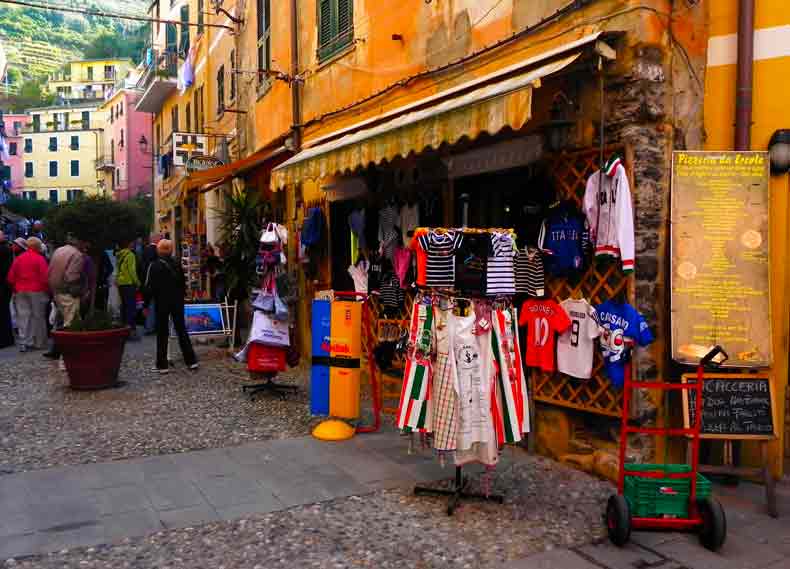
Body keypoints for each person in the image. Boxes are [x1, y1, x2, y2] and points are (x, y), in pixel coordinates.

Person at [143, 239, 198, 374]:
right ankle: (191, 361)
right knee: (181, 330)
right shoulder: (176, 264)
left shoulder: (154, 265)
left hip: (162, 302)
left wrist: (145, 304)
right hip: (177, 302)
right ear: (171, 250)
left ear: (159, 250)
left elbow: (149, 288)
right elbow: (183, 283)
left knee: (162, 332)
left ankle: (162, 365)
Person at [44, 236, 85, 359]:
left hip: (56, 290)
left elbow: (49, 270)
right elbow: (71, 277)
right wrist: (79, 289)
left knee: (60, 322)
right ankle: (69, 353)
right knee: (71, 322)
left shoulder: (59, 250)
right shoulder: (77, 254)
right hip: (67, 291)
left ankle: (56, 350)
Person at [7, 237, 49, 351]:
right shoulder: (40, 259)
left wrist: (15, 287)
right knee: (38, 316)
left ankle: (23, 342)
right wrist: (47, 290)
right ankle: (39, 342)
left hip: (20, 290)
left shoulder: (19, 259)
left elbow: (10, 277)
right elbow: (45, 277)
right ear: (37, 246)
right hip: (37, 290)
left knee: (23, 316)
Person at [116, 240, 141, 341]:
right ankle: (130, 331)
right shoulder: (130, 255)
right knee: (131, 307)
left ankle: (123, 329)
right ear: (129, 244)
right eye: (132, 243)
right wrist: (137, 282)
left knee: (124, 306)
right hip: (129, 283)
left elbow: (118, 269)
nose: (134, 244)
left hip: (121, 283)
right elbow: (132, 270)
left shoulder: (119, 254)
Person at [141, 238, 159, 335]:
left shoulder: (145, 253)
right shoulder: (155, 262)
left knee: (150, 306)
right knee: (154, 306)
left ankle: (149, 327)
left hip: (147, 285)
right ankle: (152, 327)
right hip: (155, 286)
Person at [0, 230, 14, 348]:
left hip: (3, 286)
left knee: (3, 312)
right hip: (6, 286)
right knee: (4, 312)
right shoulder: (7, 249)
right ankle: (7, 338)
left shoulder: (4, 250)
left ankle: (5, 339)